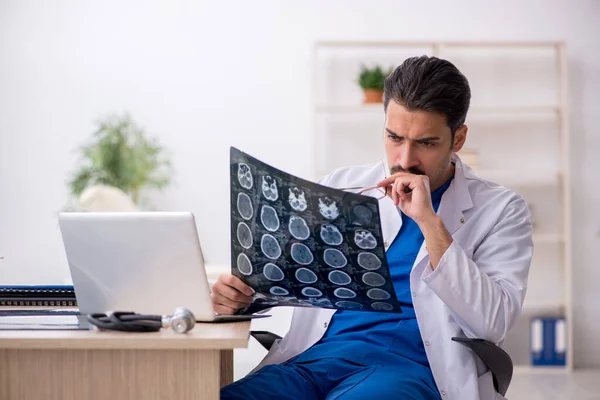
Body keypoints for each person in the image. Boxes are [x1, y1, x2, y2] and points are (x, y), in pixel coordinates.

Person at [213, 55, 533, 400]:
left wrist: (429, 222)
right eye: (394, 137)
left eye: (426, 143)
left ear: (458, 139)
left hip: (408, 371)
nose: (405, 158)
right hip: (314, 362)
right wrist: (242, 298)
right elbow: (292, 279)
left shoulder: (501, 210)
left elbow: (492, 322)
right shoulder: (341, 186)